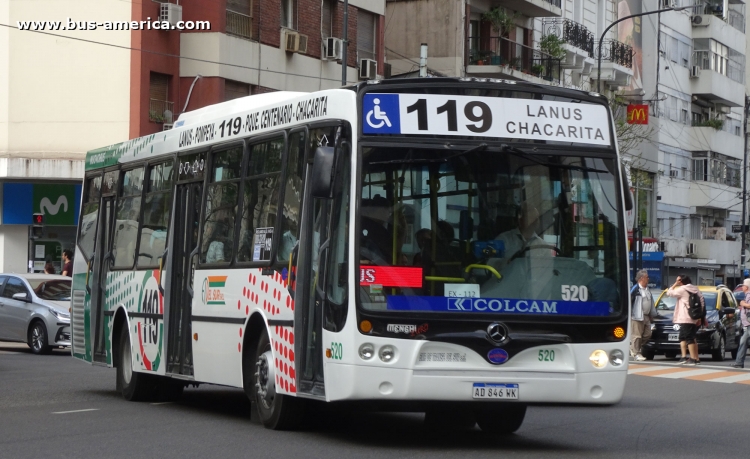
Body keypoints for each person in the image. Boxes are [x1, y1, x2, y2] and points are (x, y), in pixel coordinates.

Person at [666, 274, 705, 366]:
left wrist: (675, 284)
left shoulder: (682, 289)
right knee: (686, 337)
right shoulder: (695, 289)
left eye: (678, 280)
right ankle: (690, 357)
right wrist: (699, 316)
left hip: (685, 317)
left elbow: (669, 293)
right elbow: (702, 302)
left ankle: (692, 359)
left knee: (689, 338)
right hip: (693, 317)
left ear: (681, 281)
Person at [495, 202, 546, 266]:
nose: (535, 221)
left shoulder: (544, 247)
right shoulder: (503, 240)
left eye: (537, 217)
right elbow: (490, 267)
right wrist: (508, 264)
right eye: (531, 217)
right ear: (520, 219)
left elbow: (549, 272)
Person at [630, 269, 656, 361]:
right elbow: (629, 301)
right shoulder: (635, 289)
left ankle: (633, 347)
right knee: (637, 335)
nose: (648, 279)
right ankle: (636, 353)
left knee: (648, 334)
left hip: (646, 316)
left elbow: (650, 302)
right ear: (641, 278)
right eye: (647, 277)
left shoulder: (647, 289)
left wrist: (651, 314)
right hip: (637, 316)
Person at [731, 278, 750, 368]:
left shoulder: (749, 294)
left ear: (746, 287)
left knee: (743, 342)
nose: (742, 287)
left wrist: (743, 304)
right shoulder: (747, 295)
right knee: (743, 342)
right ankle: (739, 362)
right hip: (747, 324)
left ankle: (739, 362)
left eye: (743, 285)